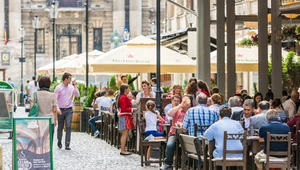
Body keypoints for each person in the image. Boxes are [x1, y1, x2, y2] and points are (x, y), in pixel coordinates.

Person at [160, 96, 191, 170]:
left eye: (187, 102)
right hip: (174, 133)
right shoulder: (177, 110)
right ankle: (168, 163)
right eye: (184, 101)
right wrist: (180, 105)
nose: (185, 104)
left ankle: (188, 163)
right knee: (170, 145)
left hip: (187, 134)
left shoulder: (191, 111)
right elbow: (169, 113)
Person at [54, 73, 80, 150]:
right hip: (61, 110)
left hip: (69, 109)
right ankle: (59, 140)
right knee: (60, 127)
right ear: (66, 79)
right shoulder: (58, 88)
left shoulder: (72, 87)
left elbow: (77, 95)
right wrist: (57, 109)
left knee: (68, 126)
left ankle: (67, 144)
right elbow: (55, 100)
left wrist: (75, 86)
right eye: (70, 78)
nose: (71, 80)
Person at [30, 76, 58, 144]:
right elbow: (54, 110)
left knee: (38, 141)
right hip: (50, 121)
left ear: (39, 84)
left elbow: (31, 108)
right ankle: (49, 154)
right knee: (49, 141)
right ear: (49, 84)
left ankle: (39, 154)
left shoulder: (35, 94)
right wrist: (55, 120)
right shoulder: (52, 95)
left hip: (38, 121)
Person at [116, 84, 137, 155]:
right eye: (128, 89)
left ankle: (123, 149)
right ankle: (122, 150)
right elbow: (124, 108)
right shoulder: (123, 97)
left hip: (125, 116)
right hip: (125, 117)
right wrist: (132, 109)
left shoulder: (122, 97)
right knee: (125, 134)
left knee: (125, 134)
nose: (129, 90)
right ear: (125, 90)